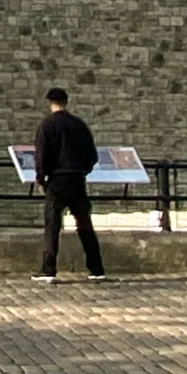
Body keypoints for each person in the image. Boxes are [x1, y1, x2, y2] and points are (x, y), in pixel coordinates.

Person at [33, 87, 106, 283]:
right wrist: (83, 170)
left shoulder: (47, 125)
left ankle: (49, 269)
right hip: (77, 179)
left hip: (57, 181)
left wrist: (41, 178)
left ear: (50, 102)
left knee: (52, 225)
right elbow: (92, 155)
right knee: (84, 224)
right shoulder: (79, 125)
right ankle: (96, 267)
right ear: (67, 101)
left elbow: (42, 155)